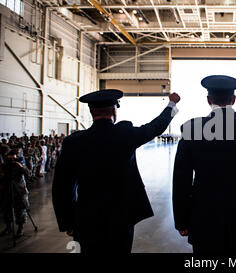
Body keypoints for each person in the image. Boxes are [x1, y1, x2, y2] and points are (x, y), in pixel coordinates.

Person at [52, 89, 180, 253]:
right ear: (114, 110)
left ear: (91, 111)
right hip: (121, 217)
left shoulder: (73, 142)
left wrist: (68, 222)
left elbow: (61, 186)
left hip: (86, 218)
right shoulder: (124, 134)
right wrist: (171, 104)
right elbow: (155, 127)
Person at [172, 75, 236, 254]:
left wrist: (181, 219)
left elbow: (181, 178)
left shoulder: (192, 127)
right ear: (234, 100)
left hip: (204, 213)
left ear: (208, 100)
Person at [0, 150, 30, 238]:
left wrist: (21, 167)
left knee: (20, 210)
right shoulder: (4, 166)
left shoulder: (19, 165)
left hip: (19, 191)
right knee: (6, 209)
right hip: (7, 190)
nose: (11, 161)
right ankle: (8, 227)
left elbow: (28, 174)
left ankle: (20, 228)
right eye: (9, 158)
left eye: (13, 158)